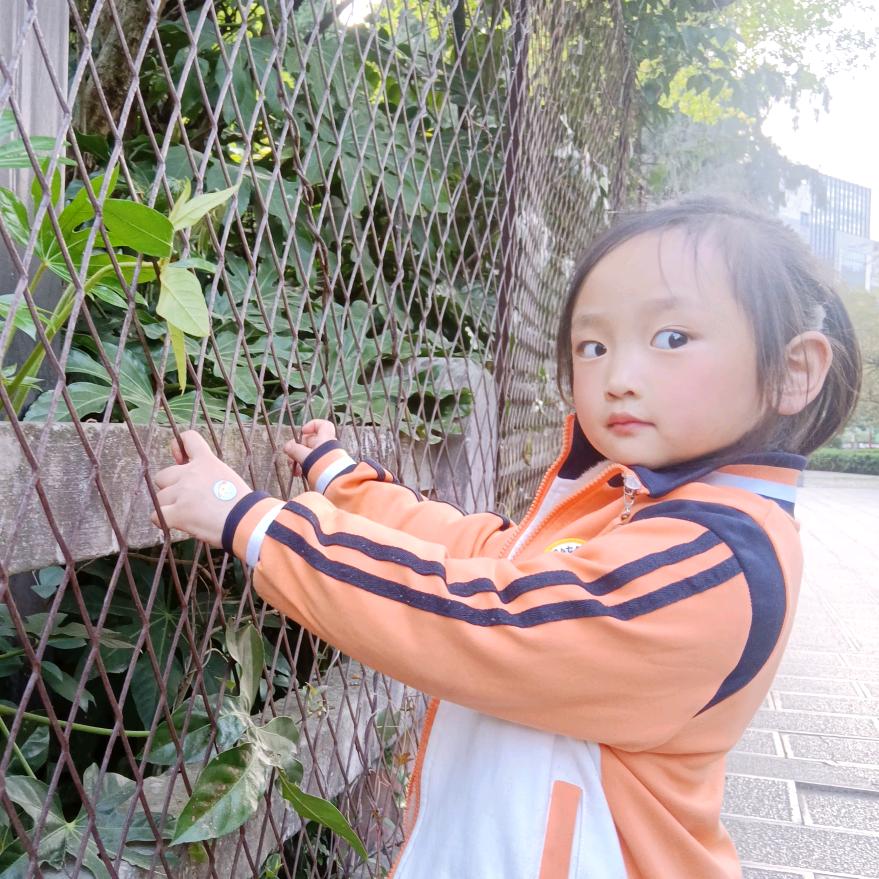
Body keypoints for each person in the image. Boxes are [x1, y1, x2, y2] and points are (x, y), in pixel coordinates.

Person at [150, 196, 861, 879]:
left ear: (792, 370)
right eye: (593, 343)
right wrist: (344, 481)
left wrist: (249, 520)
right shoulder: (638, 506)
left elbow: (489, 616)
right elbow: (480, 549)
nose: (617, 376)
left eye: (671, 338)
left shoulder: (715, 563)